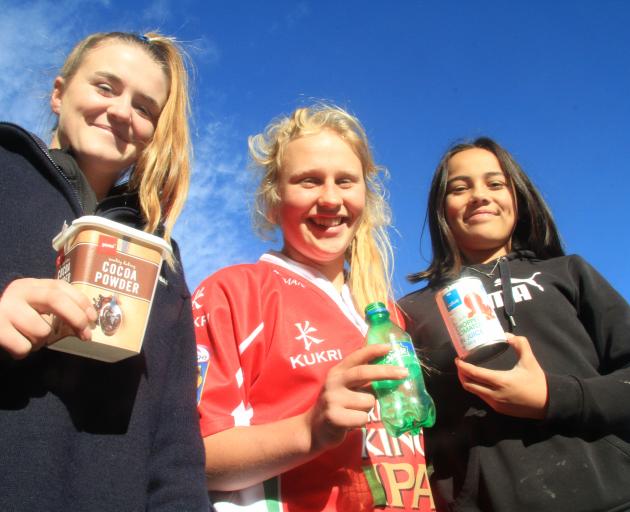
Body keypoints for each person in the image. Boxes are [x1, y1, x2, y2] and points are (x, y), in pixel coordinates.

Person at [0, 31, 209, 511]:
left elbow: (175, 442)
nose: (120, 113)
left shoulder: (162, 257)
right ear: (59, 93)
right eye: (105, 87)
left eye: (144, 108)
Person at [193, 104, 436, 511]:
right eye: (309, 181)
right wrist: (310, 429)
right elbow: (191, 459)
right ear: (274, 202)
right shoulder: (235, 293)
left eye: (345, 181)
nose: (330, 199)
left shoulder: (387, 314)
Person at [398, 137, 630, 512]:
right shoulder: (411, 311)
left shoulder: (569, 273)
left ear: (518, 198)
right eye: (460, 188)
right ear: (441, 209)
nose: (478, 196)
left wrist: (551, 397)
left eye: (495, 184)